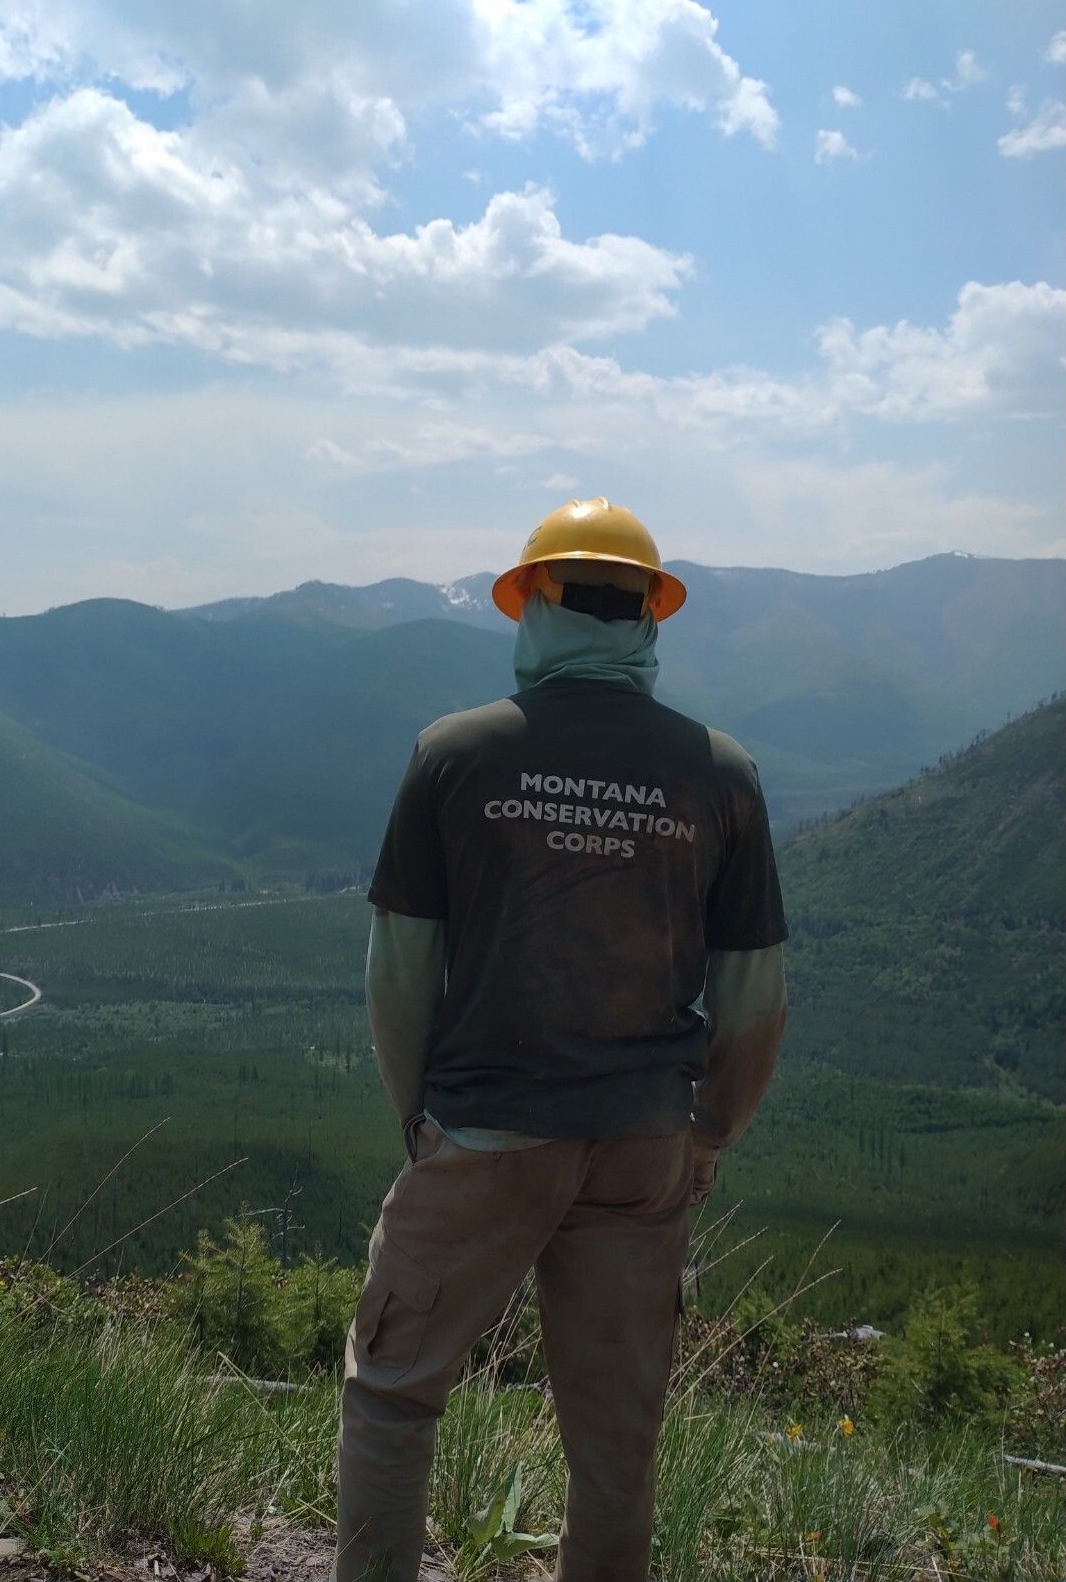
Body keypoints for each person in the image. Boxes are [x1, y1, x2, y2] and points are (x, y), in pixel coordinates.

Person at [334, 497, 789, 1582]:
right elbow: (755, 993)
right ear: (648, 616)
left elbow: (400, 968)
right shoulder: (719, 770)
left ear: (532, 600)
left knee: (395, 1394)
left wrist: (420, 1116)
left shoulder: (454, 754)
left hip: (487, 1125)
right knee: (616, 1440)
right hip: (643, 1144)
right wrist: (711, 1131)